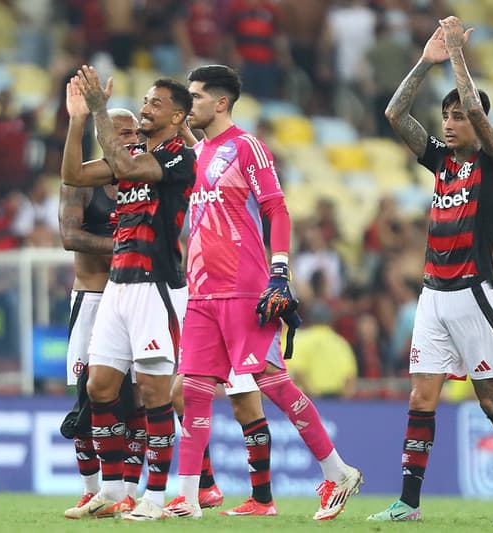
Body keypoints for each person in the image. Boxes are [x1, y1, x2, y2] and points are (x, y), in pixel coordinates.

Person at [163, 64, 362, 521]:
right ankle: (189, 497)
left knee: (272, 382)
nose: (186, 104)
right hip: (202, 291)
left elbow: (278, 209)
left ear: (220, 103)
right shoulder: (201, 153)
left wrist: (280, 273)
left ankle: (338, 470)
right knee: (192, 389)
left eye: (193, 97)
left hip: (244, 287)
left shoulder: (246, 147)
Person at [367, 17, 493, 523]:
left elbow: (473, 104)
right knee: (422, 395)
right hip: (432, 295)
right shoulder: (443, 161)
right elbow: (395, 112)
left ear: (480, 124)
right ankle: (408, 502)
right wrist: (427, 61)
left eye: (458, 116)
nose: (449, 122)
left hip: (472, 293)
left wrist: (457, 54)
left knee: (492, 399)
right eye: (445, 115)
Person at [61, 66, 195, 520]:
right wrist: (79, 120)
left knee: (154, 393)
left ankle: (155, 499)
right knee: (99, 386)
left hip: (156, 285)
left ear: (178, 116)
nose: (145, 107)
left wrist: (101, 107)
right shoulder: (132, 149)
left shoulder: (180, 157)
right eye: (145, 100)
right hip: (117, 287)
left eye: (156, 103)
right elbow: (75, 176)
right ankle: (114, 490)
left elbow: (127, 167)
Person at [60, 108, 149, 519]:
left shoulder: (145, 177)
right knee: (88, 396)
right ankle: (91, 489)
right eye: (122, 131)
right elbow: (70, 235)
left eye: (136, 131)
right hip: (93, 298)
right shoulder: (82, 178)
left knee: (137, 400)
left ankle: (128, 491)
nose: (132, 137)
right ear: (102, 135)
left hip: (134, 297)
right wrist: (124, 245)